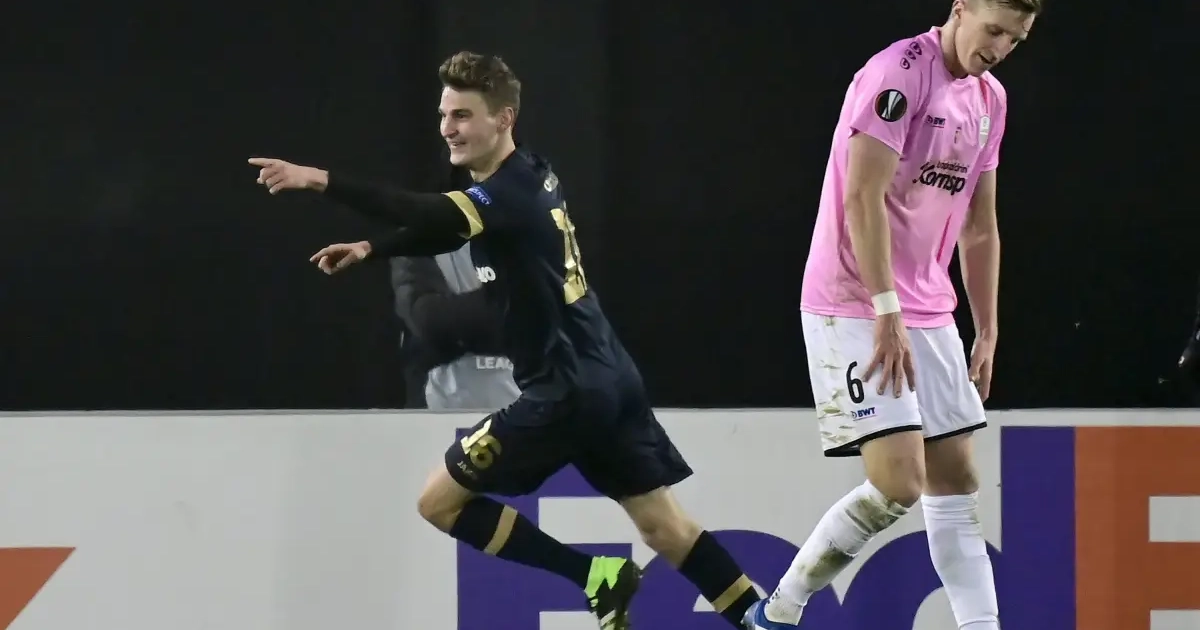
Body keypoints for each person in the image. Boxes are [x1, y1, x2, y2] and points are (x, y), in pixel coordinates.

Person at [249, 51, 758, 630]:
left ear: (504, 118)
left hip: (563, 391)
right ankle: (761, 619)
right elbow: (447, 229)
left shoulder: (507, 194)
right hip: (610, 375)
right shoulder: (531, 171)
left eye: (463, 115)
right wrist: (373, 248)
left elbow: (426, 212)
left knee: (438, 503)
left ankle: (594, 575)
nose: (448, 128)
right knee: (666, 528)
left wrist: (320, 180)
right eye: (444, 115)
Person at [745, 2, 1039, 629]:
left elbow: (979, 227)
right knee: (899, 484)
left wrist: (987, 329)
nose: (1001, 48)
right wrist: (886, 309)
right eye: (994, 30)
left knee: (957, 481)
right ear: (960, 9)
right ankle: (779, 610)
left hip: (929, 307)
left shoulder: (990, 100)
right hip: (854, 300)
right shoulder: (898, 72)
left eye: (1016, 39)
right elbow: (862, 194)